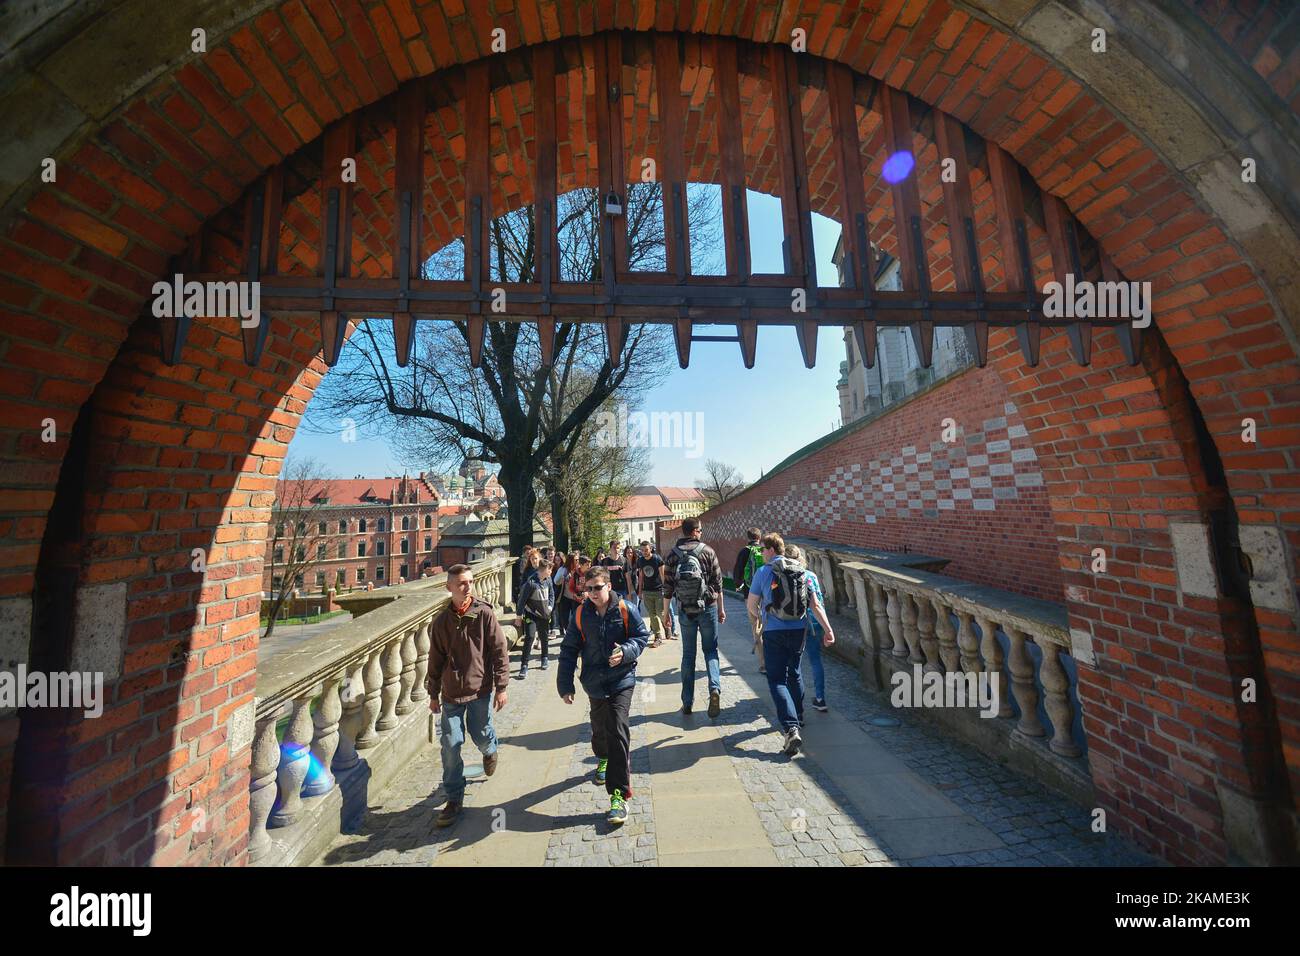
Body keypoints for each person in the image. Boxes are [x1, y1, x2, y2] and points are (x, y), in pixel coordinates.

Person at [557, 567, 649, 826]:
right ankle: (603, 757)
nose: (593, 593)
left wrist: (627, 651)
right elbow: (568, 650)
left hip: (622, 680)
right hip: (594, 682)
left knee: (618, 729)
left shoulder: (625, 609)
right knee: (599, 730)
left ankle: (618, 796)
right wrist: (565, 685)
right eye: (589, 589)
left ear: (608, 586)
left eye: (598, 588)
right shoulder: (580, 613)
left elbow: (642, 637)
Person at [426, 564, 510, 827]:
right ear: (448, 587)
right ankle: (454, 798)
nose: (468, 587)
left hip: (479, 690)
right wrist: (433, 693)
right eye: (462, 583)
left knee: (481, 733)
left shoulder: (484, 613)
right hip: (451, 694)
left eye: (471, 582)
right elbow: (435, 660)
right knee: (450, 745)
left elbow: (499, 650)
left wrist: (502, 686)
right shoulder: (441, 623)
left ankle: (491, 749)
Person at [746, 534, 834, 756]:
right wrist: (828, 629)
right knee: (794, 672)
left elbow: (751, 604)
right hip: (798, 629)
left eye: (764, 549)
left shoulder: (764, 572)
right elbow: (815, 605)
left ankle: (790, 728)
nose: (762, 553)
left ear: (772, 550)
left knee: (776, 679)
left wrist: (760, 620)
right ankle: (800, 715)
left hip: (774, 631)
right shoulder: (801, 571)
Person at [663, 517, 726, 718]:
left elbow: (668, 587)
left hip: (684, 610)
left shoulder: (673, 555)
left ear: (683, 531)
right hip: (707, 608)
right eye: (700, 529)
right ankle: (714, 688)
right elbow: (718, 583)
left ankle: (687, 702)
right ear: (696, 531)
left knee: (688, 655)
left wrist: (666, 614)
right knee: (710, 651)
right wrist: (721, 609)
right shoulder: (708, 552)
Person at [787, 545, 832, 711]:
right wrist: (827, 627)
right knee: (815, 660)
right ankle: (820, 698)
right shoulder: (811, 575)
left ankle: (796, 701)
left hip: (795, 622)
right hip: (814, 622)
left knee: (794, 662)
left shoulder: (786, 575)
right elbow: (819, 601)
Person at [517, 548, 555, 677]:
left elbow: (552, 595)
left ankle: (545, 657)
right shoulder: (531, 583)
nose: (551, 572)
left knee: (544, 637)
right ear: (543, 570)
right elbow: (522, 600)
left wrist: (550, 608)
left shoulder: (548, 580)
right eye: (550, 570)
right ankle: (524, 665)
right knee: (530, 637)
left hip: (544, 614)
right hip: (531, 614)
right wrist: (518, 615)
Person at [733, 527, 766, 671]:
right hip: (767, 594)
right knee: (769, 626)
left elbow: (737, 572)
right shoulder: (765, 550)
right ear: (760, 537)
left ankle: (763, 664)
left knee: (756, 627)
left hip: (750, 594)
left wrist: (738, 584)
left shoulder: (744, 551)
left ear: (748, 537)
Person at [635, 540, 667, 648]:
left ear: (651, 549)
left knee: (659, 613)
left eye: (646, 550)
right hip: (647, 591)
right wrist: (639, 591)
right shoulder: (640, 561)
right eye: (642, 550)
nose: (644, 552)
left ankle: (666, 625)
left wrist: (666, 590)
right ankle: (658, 637)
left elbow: (663, 575)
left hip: (658, 590)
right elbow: (641, 577)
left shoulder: (657, 559)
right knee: (652, 615)